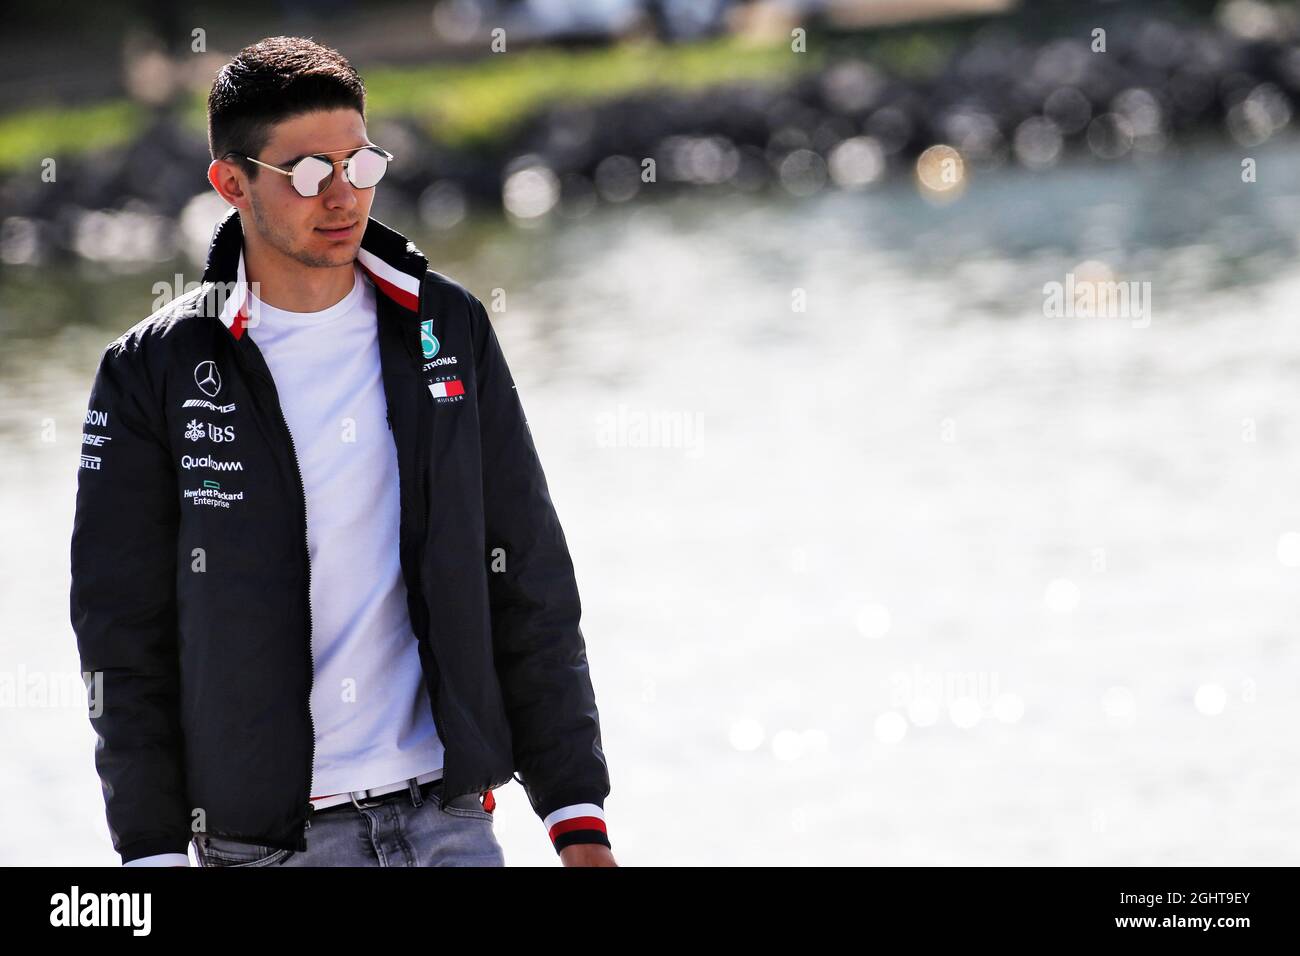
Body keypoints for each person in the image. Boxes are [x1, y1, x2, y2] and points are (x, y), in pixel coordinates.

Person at [69, 36, 615, 868]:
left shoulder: (447, 327)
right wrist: (150, 855)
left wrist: (576, 815)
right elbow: (121, 635)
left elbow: (528, 572)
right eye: (309, 173)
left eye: (358, 165)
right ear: (232, 182)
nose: (342, 196)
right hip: (267, 849)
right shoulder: (151, 372)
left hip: (452, 821)